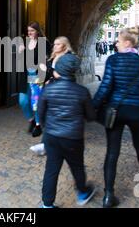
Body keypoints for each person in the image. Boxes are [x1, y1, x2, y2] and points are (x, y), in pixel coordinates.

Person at [93, 26, 139, 208]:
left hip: (116, 111)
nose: (116, 43)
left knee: (112, 152)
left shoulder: (113, 60)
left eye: (119, 40)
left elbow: (105, 88)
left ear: (127, 42)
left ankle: (108, 196)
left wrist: (92, 107)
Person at [38, 54, 97, 208]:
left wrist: (48, 127)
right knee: (77, 166)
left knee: (51, 170)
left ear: (59, 71)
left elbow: (41, 114)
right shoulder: (82, 91)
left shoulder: (48, 89)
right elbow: (91, 116)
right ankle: (83, 192)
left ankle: (47, 204)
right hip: (73, 138)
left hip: (52, 136)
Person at [17, 21, 51, 137]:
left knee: (35, 102)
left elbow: (45, 60)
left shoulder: (43, 43)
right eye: (28, 31)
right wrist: (21, 52)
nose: (29, 33)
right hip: (26, 75)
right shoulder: (26, 43)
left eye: (32, 31)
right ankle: (31, 120)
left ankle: (38, 125)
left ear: (37, 31)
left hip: (36, 75)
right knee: (23, 101)